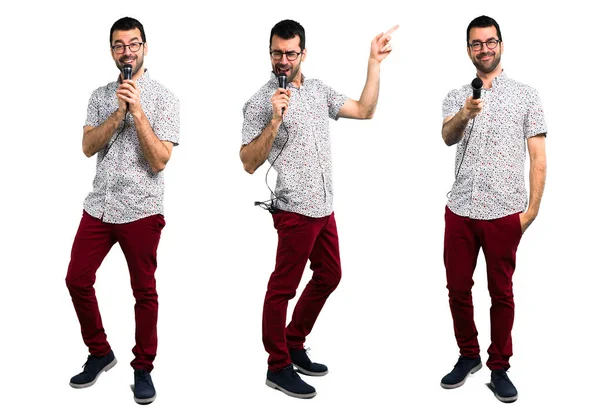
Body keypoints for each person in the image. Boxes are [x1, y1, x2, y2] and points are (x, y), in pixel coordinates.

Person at [240, 19, 397, 399]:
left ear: (303, 53)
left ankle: (294, 341)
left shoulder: (317, 91)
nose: (283, 59)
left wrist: (373, 64)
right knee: (282, 287)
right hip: (294, 209)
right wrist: (275, 120)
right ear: (270, 52)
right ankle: (277, 366)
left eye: (290, 53)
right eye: (277, 52)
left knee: (330, 274)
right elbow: (247, 161)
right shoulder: (260, 102)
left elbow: (364, 110)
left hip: (324, 207)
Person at [65, 16, 179, 405]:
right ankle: (100, 352)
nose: (126, 51)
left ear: (145, 48)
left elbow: (161, 159)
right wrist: (117, 114)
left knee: (144, 291)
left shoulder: (165, 97)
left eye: (133, 44)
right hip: (99, 206)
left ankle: (143, 368)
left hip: (142, 209)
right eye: (118, 45)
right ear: (112, 51)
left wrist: (138, 111)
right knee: (76, 279)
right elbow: (87, 147)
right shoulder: (100, 96)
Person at [439, 15, 547, 403]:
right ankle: (468, 355)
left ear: (500, 44)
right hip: (461, 209)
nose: (483, 49)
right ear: (468, 49)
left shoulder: (526, 95)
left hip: (504, 213)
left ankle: (499, 367)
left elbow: (538, 156)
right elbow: (447, 137)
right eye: (476, 43)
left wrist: (531, 211)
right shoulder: (456, 96)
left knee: (501, 293)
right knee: (457, 289)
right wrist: (466, 113)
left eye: (490, 42)